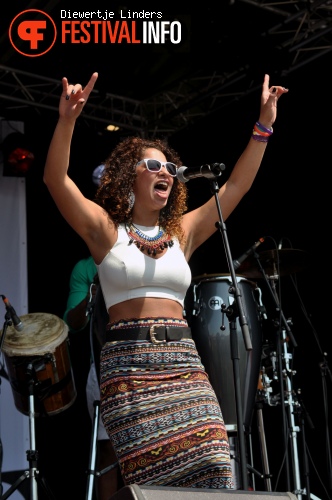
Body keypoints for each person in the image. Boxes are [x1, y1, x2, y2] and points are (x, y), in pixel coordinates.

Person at [43, 71, 288, 489]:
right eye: (153, 165)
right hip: (129, 368)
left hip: (184, 364)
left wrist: (264, 125)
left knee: (216, 466)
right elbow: (55, 181)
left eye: (170, 167)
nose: (166, 172)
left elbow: (237, 187)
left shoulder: (183, 232)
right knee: (154, 485)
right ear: (129, 177)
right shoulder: (106, 231)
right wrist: (67, 120)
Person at [63, 254, 122, 499]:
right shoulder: (85, 268)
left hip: (143, 361)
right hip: (102, 367)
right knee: (108, 451)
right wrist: (91, 296)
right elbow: (72, 323)